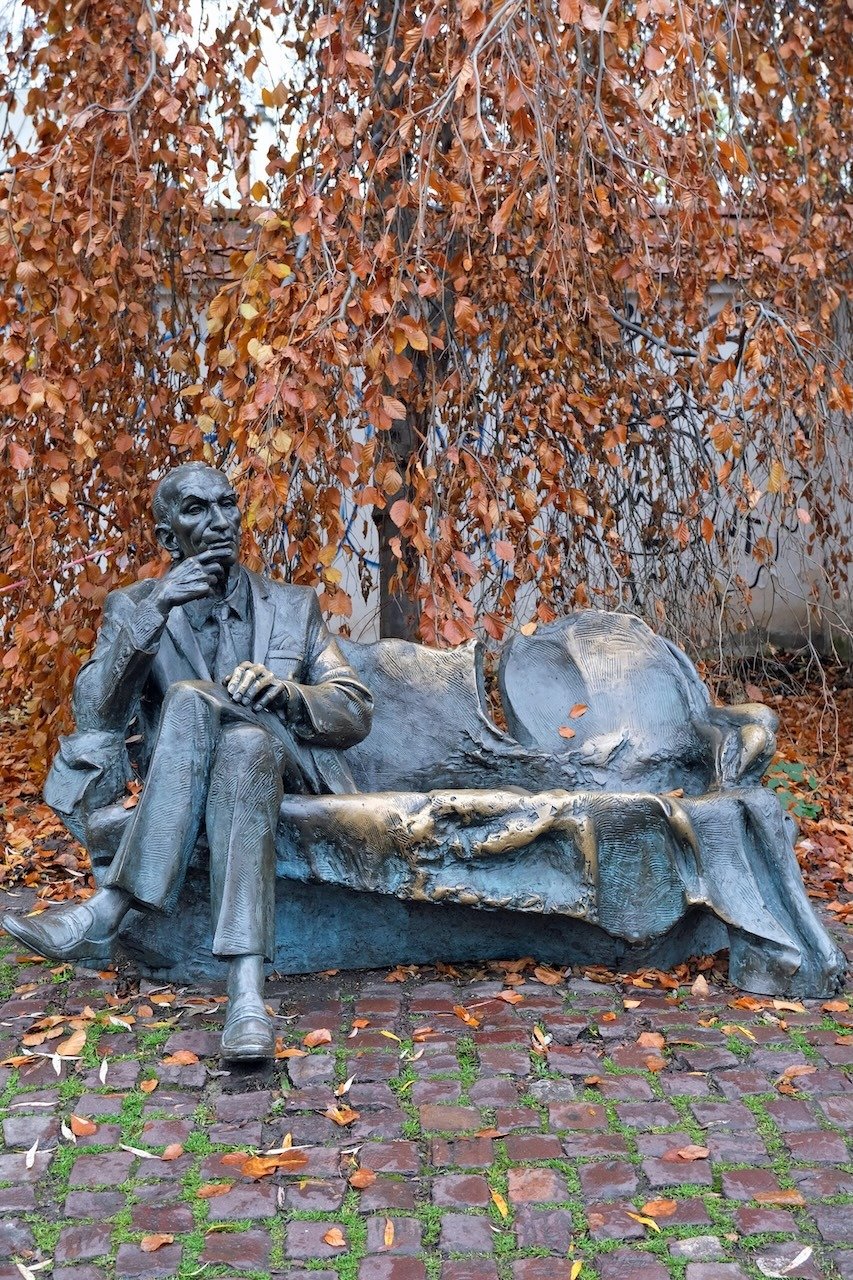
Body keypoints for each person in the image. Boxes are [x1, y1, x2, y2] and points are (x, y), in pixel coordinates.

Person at [2, 463, 373, 1060]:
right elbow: (94, 710)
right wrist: (155, 611)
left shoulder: (291, 605)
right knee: (241, 748)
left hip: (293, 768)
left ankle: (111, 906)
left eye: (227, 505)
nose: (220, 521)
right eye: (197, 510)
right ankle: (246, 995)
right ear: (169, 537)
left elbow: (354, 708)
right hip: (208, 773)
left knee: (198, 701)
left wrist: (287, 694)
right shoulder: (135, 605)